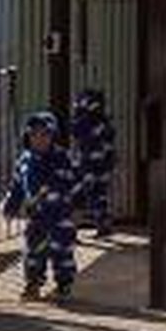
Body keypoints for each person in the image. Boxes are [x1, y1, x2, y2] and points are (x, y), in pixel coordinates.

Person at [1, 107, 80, 302]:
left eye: (45, 135)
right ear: (28, 136)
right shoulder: (25, 160)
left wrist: (77, 206)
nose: (40, 139)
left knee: (62, 251)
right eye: (34, 135)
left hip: (60, 215)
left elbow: (76, 184)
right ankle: (33, 283)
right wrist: (11, 206)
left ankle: (64, 284)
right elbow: (17, 186)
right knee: (33, 251)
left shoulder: (63, 158)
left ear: (53, 136)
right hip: (36, 216)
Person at [66, 84, 119, 238]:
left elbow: (78, 133)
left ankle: (71, 231)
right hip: (95, 166)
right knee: (97, 196)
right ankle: (103, 226)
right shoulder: (99, 122)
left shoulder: (93, 123)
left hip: (91, 167)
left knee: (77, 197)